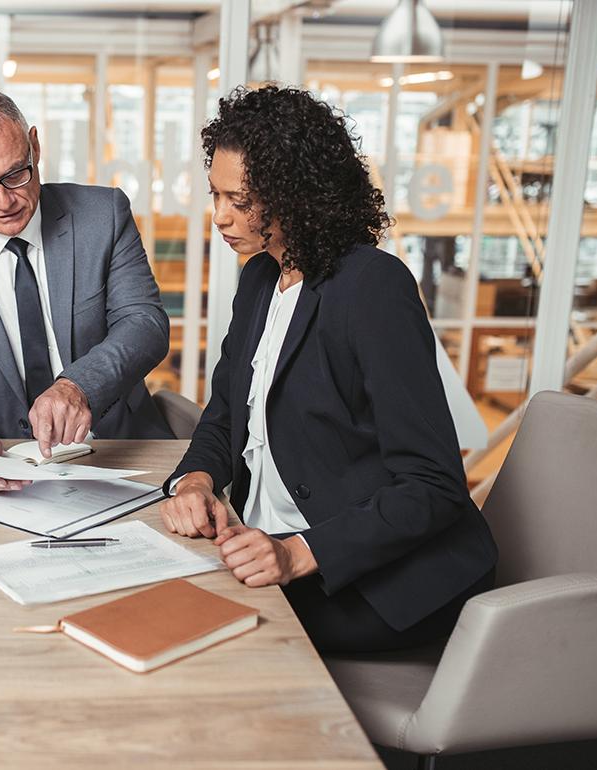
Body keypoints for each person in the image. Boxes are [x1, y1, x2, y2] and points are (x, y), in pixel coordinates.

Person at [160, 85, 497, 653]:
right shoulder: (260, 278)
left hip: (374, 575)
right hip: (269, 542)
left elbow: (435, 485)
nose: (219, 216)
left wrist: (297, 553)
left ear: (296, 195)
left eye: (240, 200)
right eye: (215, 194)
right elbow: (226, 413)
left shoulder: (373, 287)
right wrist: (195, 480)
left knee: (207, 635)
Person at [0, 89, 173, 491]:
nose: (3, 201)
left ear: (35, 147)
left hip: (122, 450)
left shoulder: (103, 215)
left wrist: (77, 386)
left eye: (14, 175)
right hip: (8, 468)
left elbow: (144, 324)